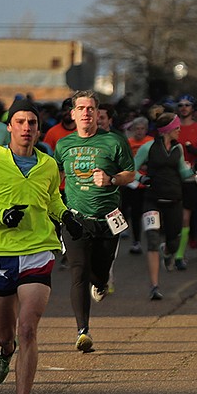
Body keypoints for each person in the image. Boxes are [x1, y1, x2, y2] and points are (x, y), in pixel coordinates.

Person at [0, 99, 79, 394]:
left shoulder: (47, 165)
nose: (27, 127)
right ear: (9, 126)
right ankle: (5, 350)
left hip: (39, 250)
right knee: (6, 334)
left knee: (28, 327)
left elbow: (52, 199)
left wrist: (66, 216)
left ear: (38, 128)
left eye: (32, 122)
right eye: (20, 121)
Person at [54, 90, 134, 352]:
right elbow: (53, 175)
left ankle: (101, 281)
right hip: (76, 218)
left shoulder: (114, 141)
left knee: (99, 270)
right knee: (78, 271)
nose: (86, 112)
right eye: (81, 108)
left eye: (91, 108)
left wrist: (111, 179)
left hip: (108, 219)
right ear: (73, 113)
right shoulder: (63, 145)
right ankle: (83, 331)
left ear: (97, 114)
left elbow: (130, 174)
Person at [133, 112, 194, 300]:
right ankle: (154, 286)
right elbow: (131, 169)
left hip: (174, 200)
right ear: (167, 130)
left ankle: (167, 252)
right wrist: (142, 178)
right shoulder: (148, 147)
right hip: (152, 201)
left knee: (173, 242)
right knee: (151, 240)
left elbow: (184, 173)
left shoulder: (179, 149)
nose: (179, 130)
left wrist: (191, 169)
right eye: (176, 128)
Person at [174, 95, 197, 267]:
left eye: (187, 105)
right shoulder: (173, 128)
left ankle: (189, 250)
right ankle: (177, 251)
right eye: (180, 105)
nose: (184, 108)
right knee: (179, 217)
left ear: (192, 108)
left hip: (192, 178)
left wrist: (194, 151)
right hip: (174, 177)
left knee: (194, 214)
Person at [124, 116, 153, 254]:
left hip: (147, 184)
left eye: (142, 129)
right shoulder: (129, 142)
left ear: (146, 130)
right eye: (137, 129)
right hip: (133, 183)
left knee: (148, 213)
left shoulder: (151, 142)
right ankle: (136, 241)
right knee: (135, 214)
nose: (139, 131)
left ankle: (152, 241)